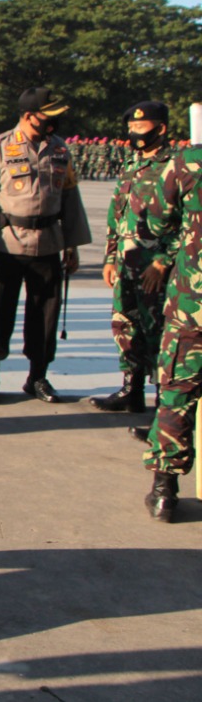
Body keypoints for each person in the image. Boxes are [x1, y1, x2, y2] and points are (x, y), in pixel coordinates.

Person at [0, 88, 92, 405]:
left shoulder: (60, 149)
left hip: (48, 244)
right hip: (5, 246)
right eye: (47, 115)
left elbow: (70, 198)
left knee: (45, 318)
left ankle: (37, 377)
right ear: (28, 116)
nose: (54, 120)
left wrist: (73, 245)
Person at [90, 101, 173, 419]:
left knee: (160, 332)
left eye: (141, 127)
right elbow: (117, 216)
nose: (135, 134)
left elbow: (188, 222)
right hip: (126, 263)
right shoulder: (130, 164)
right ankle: (131, 389)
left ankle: (166, 401)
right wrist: (110, 257)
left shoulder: (176, 167)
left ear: (161, 128)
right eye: (131, 129)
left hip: (156, 266)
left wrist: (163, 260)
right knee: (124, 326)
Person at [136, 113, 200, 522]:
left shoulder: (188, 162)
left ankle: (165, 489)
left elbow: (157, 221)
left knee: (177, 390)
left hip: (194, 300)